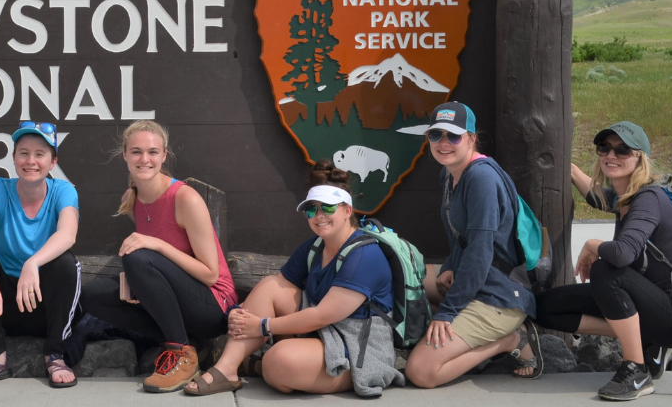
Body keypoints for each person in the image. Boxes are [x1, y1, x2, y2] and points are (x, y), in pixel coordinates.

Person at [183, 161, 403, 398]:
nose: (319, 216)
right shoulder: (315, 246)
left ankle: (258, 365)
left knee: (278, 361)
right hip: (325, 332)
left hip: (358, 347)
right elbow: (273, 292)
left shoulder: (364, 255)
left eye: (328, 208)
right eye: (312, 209)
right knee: (270, 286)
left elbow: (323, 315)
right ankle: (226, 370)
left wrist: (262, 325)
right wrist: (239, 312)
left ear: (348, 211)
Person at [535, 122, 672, 401]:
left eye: (623, 150)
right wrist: (568, 169)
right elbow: (599, 197)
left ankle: (636, 370)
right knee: (543, 307)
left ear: (640, 158)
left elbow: (623, 253)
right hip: (643, 305)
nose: (612, 155)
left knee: (607, 270)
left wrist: (593, 244)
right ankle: (642, 337)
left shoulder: (649, 198)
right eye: (604, 148)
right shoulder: (625, 197)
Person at [80, 120, 238, 393]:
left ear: (164, 156)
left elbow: (210, 274)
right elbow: (154, 265)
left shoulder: (185, 199)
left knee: (139, 254)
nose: (145, 159)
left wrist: (156, 246)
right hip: (181, 301)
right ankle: (189, 344)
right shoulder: (132, 199)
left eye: (153, 152)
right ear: (125, 155)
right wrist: (139, 283)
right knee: (93, 294)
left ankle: (181, 355)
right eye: (136, 151)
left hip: (213, 305)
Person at [404, 101, 541, 388]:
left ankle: (508, 341)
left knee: (421, 372)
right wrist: (451, 266)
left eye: (454, 136)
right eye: (436, 135)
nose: (444, 143)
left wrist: (448, 312)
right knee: (405, 278)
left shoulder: (481, 178)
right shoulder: (450, 173)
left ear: (471, 138)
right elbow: (461, 237)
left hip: (498, 297)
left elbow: (480, 251)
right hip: (477, 281)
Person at [0, 122, 81, 389]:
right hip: (3, 305)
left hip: (43, 304)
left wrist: (33, 262)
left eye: (40, 154)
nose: (31, 161)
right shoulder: (0, 189)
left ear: (52, 161)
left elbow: (68, 234)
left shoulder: (63, 190)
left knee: (66, 264)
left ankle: (55, 354)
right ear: (14, 159)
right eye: (23, 153)